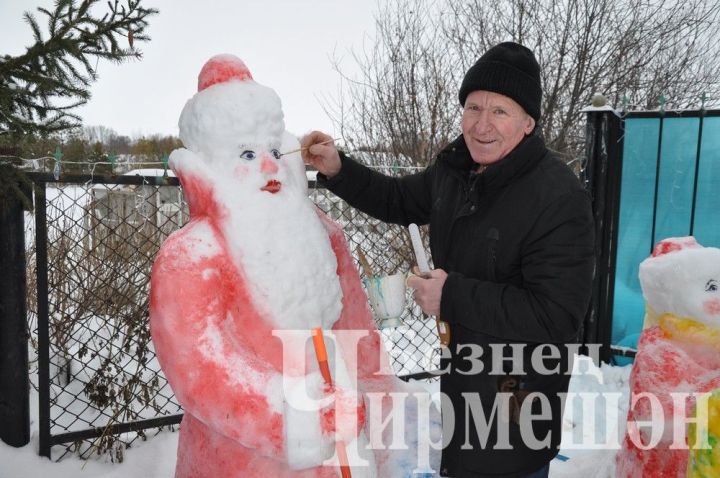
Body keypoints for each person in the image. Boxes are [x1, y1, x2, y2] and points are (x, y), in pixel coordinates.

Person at [301, 42, 595, 478]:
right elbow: (398, 199)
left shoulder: (557, 196)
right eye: (473, 107)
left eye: (500, 111)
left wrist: (450, 295)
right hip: (467, 378)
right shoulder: (456, 171)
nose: (481, 124)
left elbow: (556, 315)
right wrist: (338, 168)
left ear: (528, 122)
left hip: (519, 394)